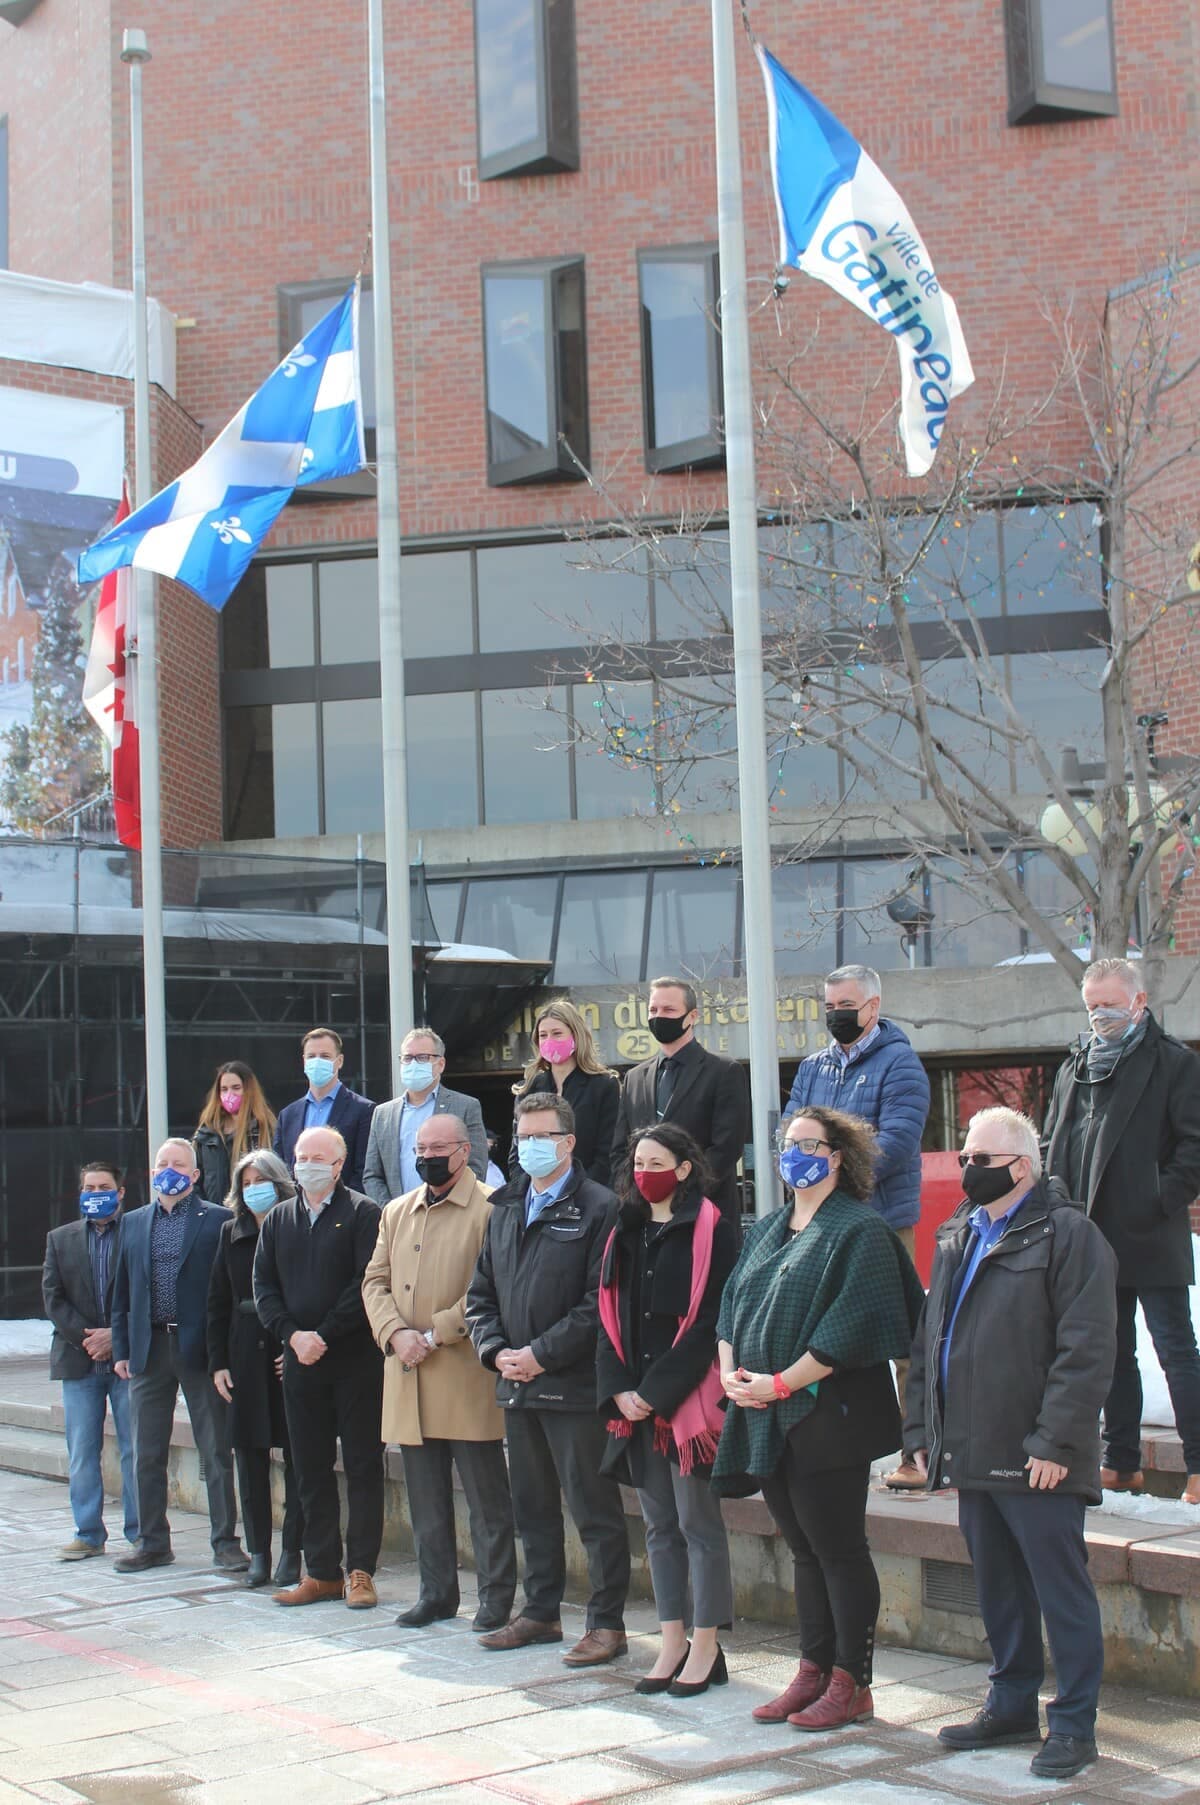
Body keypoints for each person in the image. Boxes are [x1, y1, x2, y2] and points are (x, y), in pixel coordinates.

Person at [905, 1107, 1118, 1784]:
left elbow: (1086, 1349)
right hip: (973, 1447)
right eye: (965, 1156)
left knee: (1060, 1591)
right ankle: (1011, 1705)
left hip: (1038, 1454)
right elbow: (930, 1340)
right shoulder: (958, 1232)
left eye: (981, 1158)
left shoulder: (1069, 1235)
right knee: (998, 1587)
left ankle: (1074, 1725)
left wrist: (1055, 1440)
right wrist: (922, 1434)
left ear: (1021, 1166)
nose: (968, 1168)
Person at [712, 1106, 923, 1732]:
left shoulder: (860, 1229)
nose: (794, 1154)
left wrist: (779, 1383)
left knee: (838, 1549)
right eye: (787, 1143)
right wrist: (730, 1373)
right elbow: (731, 1306)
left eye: (808, 1144)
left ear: (837, 1155)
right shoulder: (769, 1227)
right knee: (803, 1549)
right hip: (763, 1412)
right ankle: (813, 1669)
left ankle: (851, 1681)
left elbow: (850, 1324)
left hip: (828, 1415)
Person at [467, 1093, 631, 1664]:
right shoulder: (505, 1206)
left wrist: (540, 1354)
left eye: (542, 1137)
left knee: (593, 1510)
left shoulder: (600, 1207)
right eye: (523, 1136)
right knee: (532, 1508)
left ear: (568, 1143)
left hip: (574, 1387)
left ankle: (607, 1624)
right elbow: (480, 1293)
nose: (530, 1146)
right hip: (516, 1384)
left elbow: (598, 1303)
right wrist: (495, 1353)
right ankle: (540, 1613)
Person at [1043, 956, 1200, 1506]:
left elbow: (1194, 1145)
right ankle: (1121, 1462)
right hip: (1089, 1234)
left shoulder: (1174, 1063)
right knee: (1110, 1351)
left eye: (1110, 1004)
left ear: (1139, 1001)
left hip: (1151, 1233)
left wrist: (1157, 1199)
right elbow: (1053, 1139)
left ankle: (1199, 1466)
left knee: (1175, 1349)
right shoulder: (1075, 1066)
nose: (1100, 1015)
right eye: (1092, 1006)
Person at [596, 1124, 738, 1696]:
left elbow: (710, 1322)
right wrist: (619, 1391)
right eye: (638, 1163)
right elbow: (606, 1313)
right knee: (658, 1527)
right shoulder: (624, 1228)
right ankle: (672, 1638)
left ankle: (707, 1644)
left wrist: (655, 1393)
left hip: (685, 1404)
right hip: (634, 1403)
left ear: (683, 1169)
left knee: (697, 1524)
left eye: (656, 1163)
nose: (643, 1173)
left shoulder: (712, 1227)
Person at [362, 1113, 516, 1631]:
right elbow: (374, 1281)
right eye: (420, 1149)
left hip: (464, 1374)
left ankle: (496, 1597)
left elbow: (490, 1287)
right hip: (408, 1375)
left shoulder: (492, 1208)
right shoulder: (396, 1211)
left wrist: (434, 1334)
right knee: (425, 1498)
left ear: (465, 1151)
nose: (426, 1157)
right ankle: (436, 1593)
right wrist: (395, 1333)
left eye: (438, 1149)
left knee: (486, 1500)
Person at [784, 964, 930, 1492]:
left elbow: (898, 1139)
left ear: (873, 1006)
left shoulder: (901, 1063)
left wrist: (835, 1181)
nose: (835, 1015)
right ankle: (836, 1445)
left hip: (881, 1222)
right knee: (825, 1335)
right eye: (829, 1007)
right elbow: (790, 1130)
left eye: (845, 1006)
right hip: (820, 1225)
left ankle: (920, 1452)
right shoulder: (813, 1067)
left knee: (905, 1340)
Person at [253, 1124, 384, 1609]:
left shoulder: (364, 1214)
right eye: (301, 1157)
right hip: (300, 1363)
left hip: (356, 1363)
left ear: (339, 1165)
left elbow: (365, 1284)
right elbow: (264, 1287)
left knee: (363, 1465)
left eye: (317, 1158)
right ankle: (322, 1571)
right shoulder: (279, 1219)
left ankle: (360, 1571)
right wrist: (293, 1336)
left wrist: (323, 1334)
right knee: (308, 1467)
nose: (306, 1165)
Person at [110, 1138, 247, 1574]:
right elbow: (122, 1291)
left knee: (216, 1450)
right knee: (147, 1451)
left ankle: (225, 1542)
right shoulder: (133, 1222)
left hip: (200, 1348)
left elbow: (229, 1290)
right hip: (149, 1348)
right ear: (152, 1172)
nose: (170, 1170)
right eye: (162, 1164)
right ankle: (152, 1542)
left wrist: (225, 1351)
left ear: (195, 1174)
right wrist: (121, 1348)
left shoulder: (218, 1220)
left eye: (179, 1164)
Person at [207, 1149, 304, 1589]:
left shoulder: (295, 1226)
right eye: (245, 1184)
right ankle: (259, 1552)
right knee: (249, 1458)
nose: (253, 1190)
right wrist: (218, 1364)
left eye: (260, 1181)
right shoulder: (230, 1232)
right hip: (244, 1353)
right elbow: (216, 1302)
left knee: (298, 1457)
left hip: (287, 1352)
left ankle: (293, 1551)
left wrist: (294, 1342)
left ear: (279, 1183)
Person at [42, 1160, 138, 1561]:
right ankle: (87, 1532)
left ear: (120, 1193)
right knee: (83, 1450)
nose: (95, 1194)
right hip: (79, 1361)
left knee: (136, 1449)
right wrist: (91, 1340)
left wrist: (117, 1336)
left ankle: (140, 1533)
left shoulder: (138, 1232)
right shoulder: (59, 1239)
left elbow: (148, 1291)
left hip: (128, 1361)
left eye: (103, 1187)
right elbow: (53, 1298)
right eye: (89, 1188)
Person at [612, 977, 750, 1229]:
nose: (659, 1017)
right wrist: (637, 1196)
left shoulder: (724, 1072)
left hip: (705, 1216)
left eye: (669, 1010)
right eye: (653, 1010)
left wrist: (676, 1194)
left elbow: (726, 1148)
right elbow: (621, 1150)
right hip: (645, 1218)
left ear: (692, 1016)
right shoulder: (634, 1078)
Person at [362, 1026, 487, 1205]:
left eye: (422, 1058)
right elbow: (372, 1175)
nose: (413, 1064)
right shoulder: (383, 1114)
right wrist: (391, 1211)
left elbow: (476, 1167)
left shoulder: (465, 1106)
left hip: (449, 1212)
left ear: (441, 1064)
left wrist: (447, 1207)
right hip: (399, 1216)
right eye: (407, 1058)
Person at [510, 999, 620, 1186]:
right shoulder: (528, 1089)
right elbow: (517, 1153)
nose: (549, 1040)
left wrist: (579, 1192)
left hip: (587, 1192)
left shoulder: (603, 1086)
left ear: (576, 1036)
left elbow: (607, 1153)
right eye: (543, 1035)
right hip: (536, 1194)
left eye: (557, 1033)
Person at [273, 1026, 375, 1194]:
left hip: (345, 1204)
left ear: (339, 1061)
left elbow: (364, 1170)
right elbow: (280, 1171)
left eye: (325, 1056)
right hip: (297, 1206)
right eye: (311, 1056)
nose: (317, 1061)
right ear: (304, 1061)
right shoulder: (288, 1115)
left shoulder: (364, 1110)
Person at [193, 1061, 277, 1219]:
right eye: (224, 1089)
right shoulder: (206, 1133)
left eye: (236, 1088)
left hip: (252, 1218)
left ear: (249, 1090)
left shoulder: (264, 1130)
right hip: (213, 1218)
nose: (229, 1094)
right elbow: (196, 1180)